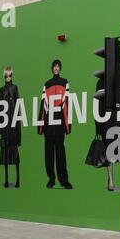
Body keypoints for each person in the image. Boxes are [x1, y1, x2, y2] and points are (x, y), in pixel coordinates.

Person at [38, 59, 73, 189]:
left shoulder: (65, 83)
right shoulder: (46, 84)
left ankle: (64, 180)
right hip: (48, 126)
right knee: (48, 155)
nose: (56, 68)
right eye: (54, 66)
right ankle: (51, 179)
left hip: (59, 126)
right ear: (52, 68)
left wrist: (67, 126)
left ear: (60, 68)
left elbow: (67, 104)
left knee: (60, 154)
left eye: (58, 66)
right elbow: (43, 105)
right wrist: (41, 127)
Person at [0, 66, 21, 188]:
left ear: (12, 75)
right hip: (5, 126)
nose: (8, 78)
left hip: (13, 125)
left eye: (9, 75)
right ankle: (6, 180)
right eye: (6, 75)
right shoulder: (1, 90)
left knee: (15, 154)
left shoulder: (15, 88)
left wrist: (17, 124)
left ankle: (18, 180)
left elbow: (18, 106)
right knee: (5, 154)